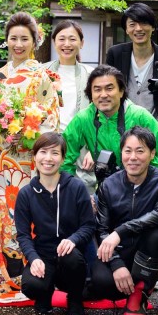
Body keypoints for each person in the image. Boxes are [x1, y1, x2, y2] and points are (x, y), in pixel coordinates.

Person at [61, 64, 158, 312]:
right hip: (112, 195)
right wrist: (80, 196)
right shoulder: (84, 120)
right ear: (90, 94)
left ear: (121, 91)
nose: (103, 94)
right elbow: (65, 158)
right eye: (97, 89)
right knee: (84, 220)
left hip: (151, 193)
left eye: (110, 88)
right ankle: (91, 278)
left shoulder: (139, 116)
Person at [0, 12, 60, 303]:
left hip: (27, 158)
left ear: (34, 42)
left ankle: (29, 277)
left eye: (24, 39)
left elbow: (51, 118)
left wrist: (27, 132)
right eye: (13, 38)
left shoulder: (43, 76)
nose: (18, 44)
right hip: (0, 157)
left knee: (24, 216)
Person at [91, 127, 158, 315]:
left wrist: (119, 232)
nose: (133, 157)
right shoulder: (108, 185)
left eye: (140, 151)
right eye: (127, 151)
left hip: (150, 252)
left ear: (152, 154)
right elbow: (101, 229)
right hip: (120, 252)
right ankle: (130, 286)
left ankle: (139, 294)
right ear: (121, 153)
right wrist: (116, 264)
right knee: (102, 283)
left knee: (156, 236)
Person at [14, 132, 95, 315]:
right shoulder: (26, 193)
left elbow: (88, 225)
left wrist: (73, 240)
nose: (48, 159)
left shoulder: (76, 187)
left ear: (63, 158)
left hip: (71, 256)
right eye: (43, 152)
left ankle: (74, 299)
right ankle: (45, 293)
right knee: (32, 286)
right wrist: (33, 258)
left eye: (55, 153)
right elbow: (23, 235)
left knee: (71, 256)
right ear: (34, 156)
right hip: (44, 255)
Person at [43, 20, 95, 192]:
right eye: (61, 39)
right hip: (48, 141)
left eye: (72, 39)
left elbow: (100, 114)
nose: (67, 44)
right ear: (54, 42)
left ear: (81, 43)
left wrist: (93, 150)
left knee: (80, 193)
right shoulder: (41, 72)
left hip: (81, 146)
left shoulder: (91, 74)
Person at [105, 2, 158, 119]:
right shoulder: (115, 54)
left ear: (153, 27)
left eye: (144, 23)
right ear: (126, 29)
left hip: (154, 124)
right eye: (132, 24)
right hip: (121, 123)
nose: (138, 29)